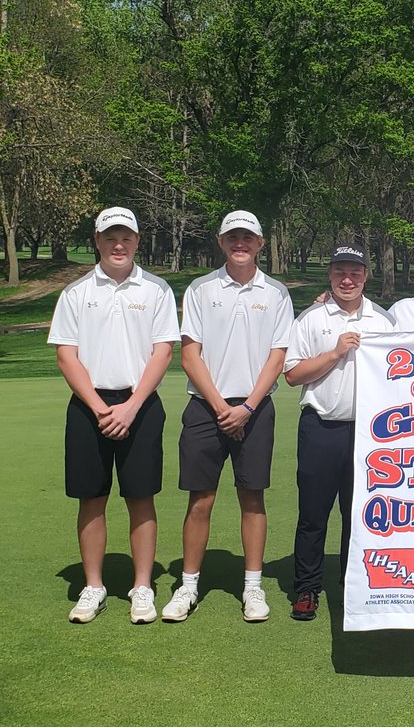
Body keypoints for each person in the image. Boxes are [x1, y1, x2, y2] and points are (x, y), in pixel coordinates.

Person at [48, 207, 180, 624]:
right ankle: (94, 587)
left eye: (126, 237)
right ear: (98, 241)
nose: (118, 245)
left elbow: (163, 351)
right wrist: (101, 407)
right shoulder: (75, 293)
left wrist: (131, 405)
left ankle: (142, 586)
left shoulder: (156, 290)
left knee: (141, 496)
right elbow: (66, 355)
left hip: (140, 404)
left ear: (137, 241)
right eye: (110, 237)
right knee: (92, 498)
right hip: (90, 407)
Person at [161, 210, 292, 623]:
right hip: (206, 406)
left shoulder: (276, 293)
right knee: (200, 498)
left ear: (259, 243)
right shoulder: (201, 289)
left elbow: (277, 356)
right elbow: (189, 354)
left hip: (255, 407)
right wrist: (221, 407)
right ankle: (188, 585)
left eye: (247, 238)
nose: (240, 243)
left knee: (252, 497)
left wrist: (248, 407)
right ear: (221, 242)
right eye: (232, 237)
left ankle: (252, 588)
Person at [284, 243, 396, 621]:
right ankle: (306, 588)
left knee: (360, 517)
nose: (347, 280)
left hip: (370, 435)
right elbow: (292, 375)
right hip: (320, 428)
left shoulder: (382, 321)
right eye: (340, 272)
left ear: (366, 276)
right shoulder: (311, 318)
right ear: (330, 274)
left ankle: (354, 586)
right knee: (313, 515)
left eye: (355, 273)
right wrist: (333, 354)